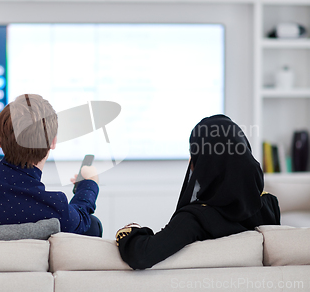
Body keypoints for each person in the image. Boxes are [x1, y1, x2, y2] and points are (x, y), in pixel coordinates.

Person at [115, 115, 280, 269]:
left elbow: (142, 255)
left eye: (194, 154)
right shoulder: (269, 205)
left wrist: (131, 230)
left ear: (205, 164)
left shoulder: (195, 220)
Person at [0, 94, 102, 237]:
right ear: (53, 141)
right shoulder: (52, 208)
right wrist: (89, 184)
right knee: (93, 225)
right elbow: (82, 218)